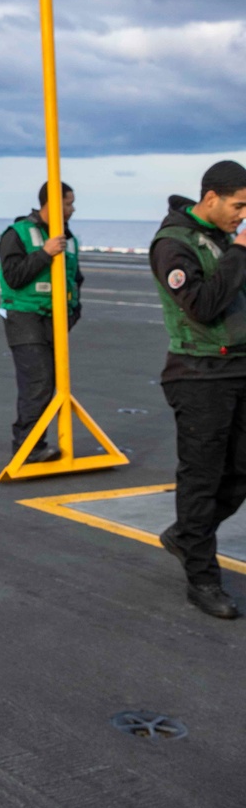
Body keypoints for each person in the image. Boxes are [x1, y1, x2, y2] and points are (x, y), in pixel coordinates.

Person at [149, 160, 246, 620]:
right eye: (238, 206)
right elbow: (203, 306)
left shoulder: (224, 240)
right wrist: (241, 252)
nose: (242, 216)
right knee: (202, 478)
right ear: (211, 198)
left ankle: (187, 535)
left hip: (238, 368)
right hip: (198, 374)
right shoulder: (173, 244)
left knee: (241, 471)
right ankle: (202, 581)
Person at [0, 182, 82, 463]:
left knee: (52, 382)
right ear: (52, 203)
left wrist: (74, 311)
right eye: (68, 203)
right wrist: (45, 253)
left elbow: (75, 279)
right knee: (38, 381)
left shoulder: (68, 239)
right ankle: (27, 447)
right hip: (24, 317)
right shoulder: (17, 234)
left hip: (55, 319)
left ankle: (36, 443)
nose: (72, 208)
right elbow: (14, 277)